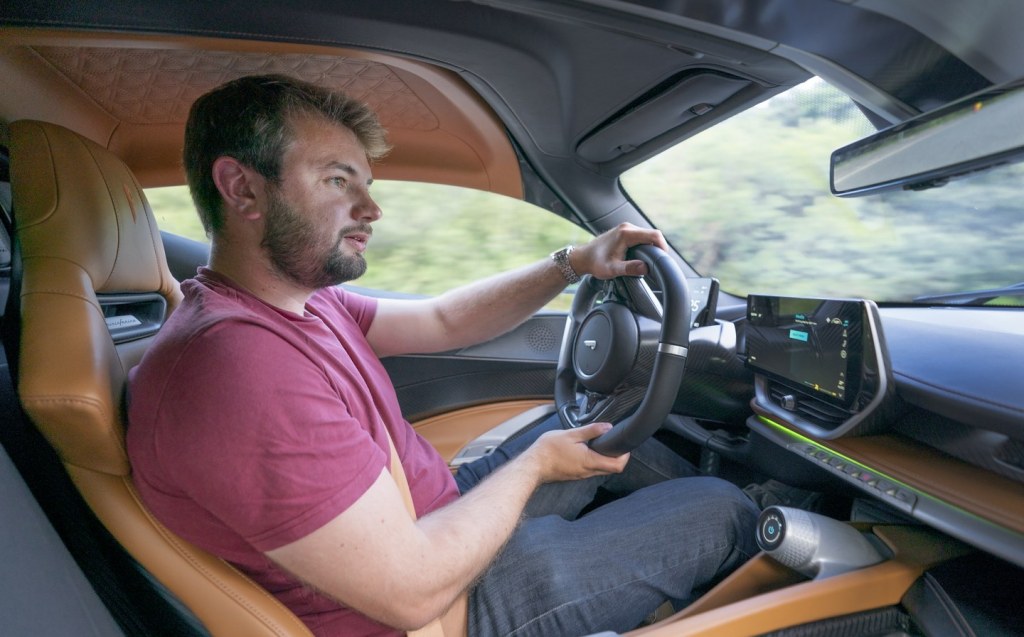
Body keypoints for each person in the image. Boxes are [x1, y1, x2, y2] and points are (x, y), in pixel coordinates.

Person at [126, 74, 759, 637]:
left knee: (610, 432)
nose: (371, 209)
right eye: (337, 180)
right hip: (446, 612)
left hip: (434, 519)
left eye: (364, 184)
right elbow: (409, 595)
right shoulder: (238, 368)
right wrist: (534, 467)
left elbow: (444, 318)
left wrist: (570, 264)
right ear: (241, 188)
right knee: (722, 511)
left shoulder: (294, 305)